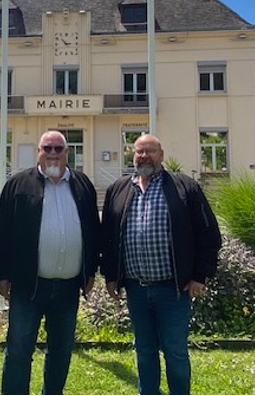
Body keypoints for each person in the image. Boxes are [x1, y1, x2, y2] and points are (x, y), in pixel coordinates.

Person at [100, 134, 221, 395]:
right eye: (139, 152)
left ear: (161, 155)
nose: (144, 156)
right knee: (144, 350)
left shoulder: (184, 187)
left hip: (173, 290)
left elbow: (208, 233)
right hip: (136, 289)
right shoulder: (118, 190)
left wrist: (200, 275)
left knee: (175, 351)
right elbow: (108, 238)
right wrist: (110, 275)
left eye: (150, 151)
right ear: (133, 155)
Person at [0, 130, 100, 395]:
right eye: (47, 148)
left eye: (58, 148)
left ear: (66, 152)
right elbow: (1, 232)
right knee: (19, 349)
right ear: (38, 151)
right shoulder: (18, 184)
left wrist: (90, 272)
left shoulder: (82, 184)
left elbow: (93, 232)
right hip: (29, 287)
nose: (52, 153)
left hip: (68, 288)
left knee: (61, 351)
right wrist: (1, 274)